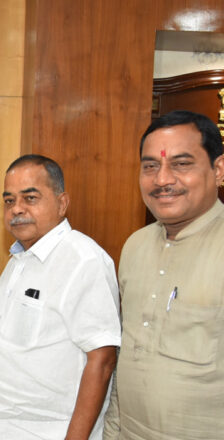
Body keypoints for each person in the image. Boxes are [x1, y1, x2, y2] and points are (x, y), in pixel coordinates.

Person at [0, 155, 121, 440]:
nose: (16, 209)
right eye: (9, 200)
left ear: (62, 203)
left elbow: (102, 361)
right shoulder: (18, 260)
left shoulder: (82, 260)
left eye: (30, 198)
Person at [103, 111, 224, 439]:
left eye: (181, 164)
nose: (162, 180)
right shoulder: (135, 245)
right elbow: (124, 355)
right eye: (150, 166)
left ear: (218, 170)